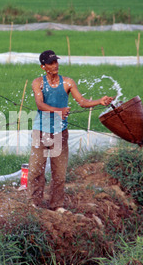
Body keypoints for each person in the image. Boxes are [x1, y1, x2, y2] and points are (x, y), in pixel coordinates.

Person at [27, 50, 113, 212]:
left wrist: (99, 101)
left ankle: (56, 205)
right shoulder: (38, 82)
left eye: (56, 62)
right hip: (41, 132)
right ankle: (34, 203)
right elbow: (40, 105)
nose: (55, 65)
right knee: (36, 170)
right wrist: (59, 111)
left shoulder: (67, 83)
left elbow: (82, 101)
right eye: (51, 63)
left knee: (59, 172)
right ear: (43, 67)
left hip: (60, 133)